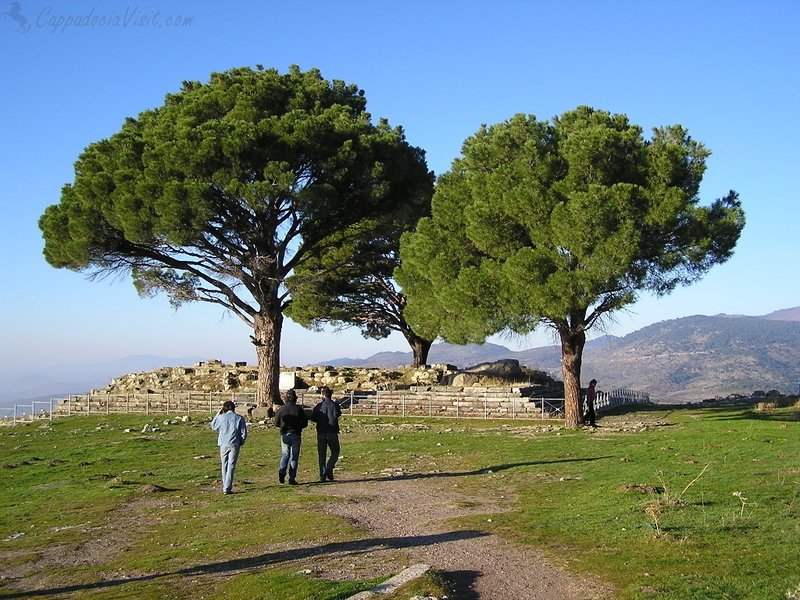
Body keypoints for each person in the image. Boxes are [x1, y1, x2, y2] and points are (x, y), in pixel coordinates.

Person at [210, 400, 248, 495]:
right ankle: (227, 487)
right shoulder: (239, 418)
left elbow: (213, 426)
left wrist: (219, 413)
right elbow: (243, 433)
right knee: (231, 466)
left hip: (223, 444)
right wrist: (241, 442)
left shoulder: (221, 418)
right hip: (234, 443)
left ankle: (225, 486)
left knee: (224, 465)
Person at [273, 389, 308, 484]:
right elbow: (305, 423)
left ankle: (282, 472)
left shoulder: (281, 409)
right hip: (296, 434)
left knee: (285, 454)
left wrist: (282, 426)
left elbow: (276, 423)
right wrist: (299, 427)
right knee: (294, 456)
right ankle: (292, 478)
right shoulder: (299, 409)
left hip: (285, 434)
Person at [311, 386, 342, 482]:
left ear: (323, 395)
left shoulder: (319, 406)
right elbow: (338, 414)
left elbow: (313, 417)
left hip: (321, 432)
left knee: (322, 454)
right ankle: (330, 466)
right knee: (335, 451)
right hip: (332, 431)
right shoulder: (334, 405)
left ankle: (322, 475)